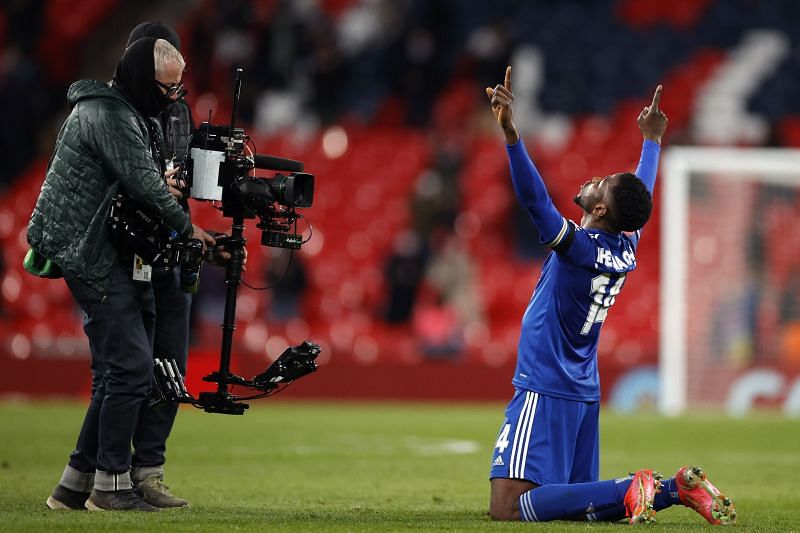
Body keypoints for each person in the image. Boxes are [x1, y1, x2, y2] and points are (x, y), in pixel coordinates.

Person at [484, 67, 736, 525]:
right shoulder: (627, 243)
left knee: (508, 508)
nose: (593, 180)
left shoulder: (578, 248)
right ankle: (670, 490)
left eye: (599, 184)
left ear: (599, 209)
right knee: (582, 509)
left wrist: (511, 135)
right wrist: (652, 142)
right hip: (583, 387)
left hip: (546, 383)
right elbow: (641, 191)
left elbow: (536, 202)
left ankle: (631, 485)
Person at [29, 37, 216, 512]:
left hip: (101, 249)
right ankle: (111, 487)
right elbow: (144, 185)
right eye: (165, 88)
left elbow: (142, 179)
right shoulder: (110, 115)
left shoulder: (120, 109)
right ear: (139, 77)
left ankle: (74, 486)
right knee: (132, 367)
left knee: (118, 372)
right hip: (89, 252)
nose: (173, 98)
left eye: (178, 89)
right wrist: (189, 228)